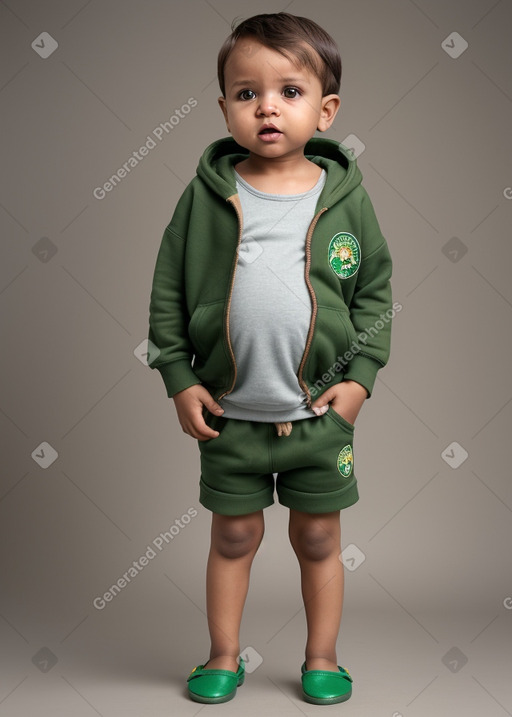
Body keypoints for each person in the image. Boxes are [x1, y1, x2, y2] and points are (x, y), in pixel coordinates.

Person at [147, 11, 393, 706]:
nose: (268, 108)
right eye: (246, 92)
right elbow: (167, 290)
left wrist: (359, 382)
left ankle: (322, 657)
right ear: (224, 105)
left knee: (318, 537)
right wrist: (178, 377)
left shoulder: (346, 199)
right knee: (233, 536)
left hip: (319, 419)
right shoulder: (203, 197)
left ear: (327, 108)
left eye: (289, 90)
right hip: (231, 418)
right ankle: (223, 653)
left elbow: (376, 293)